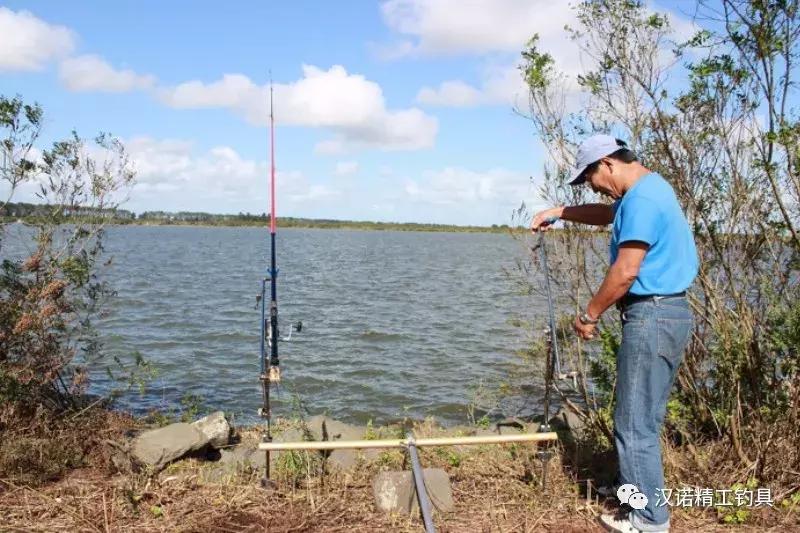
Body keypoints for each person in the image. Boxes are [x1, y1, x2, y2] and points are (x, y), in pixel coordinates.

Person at [530, 134, 698, 533]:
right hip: (668, 313)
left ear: (606, 163)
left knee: (633, 424)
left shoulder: (640, 200)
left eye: (589, 176)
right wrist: (560, 211)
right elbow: (608, 216)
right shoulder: (648, 190)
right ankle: (633, 490)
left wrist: (589, 315)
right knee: (644, 417)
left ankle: (649, 520)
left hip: (651, 315)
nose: (592, 186)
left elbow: (625, 272)